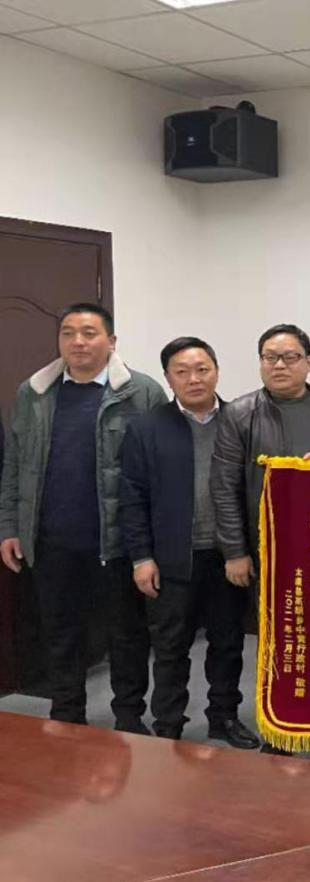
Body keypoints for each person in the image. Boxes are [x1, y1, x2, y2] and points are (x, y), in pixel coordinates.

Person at [0, 303, 166, 730]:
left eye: (89, 332)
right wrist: (10, 528)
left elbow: (160, 471)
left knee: (126, 635)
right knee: (60, 633)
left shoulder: (142, 392)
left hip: (118, 542)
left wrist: (152, 545)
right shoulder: (34, 393)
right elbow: (15, 465)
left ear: (111, 341)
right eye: (68, 332)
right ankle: (67, 713)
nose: (78, 341)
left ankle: (129, 717)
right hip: (51, 540)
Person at [210, 323, 310, 754]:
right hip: (268, 547)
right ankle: (282, 727)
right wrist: (235, 551)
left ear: (309, 362)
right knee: (277, 641)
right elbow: (224, 486)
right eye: (270, 357)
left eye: (290, 357)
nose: (280, 365)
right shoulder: (239, 413)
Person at [119, 337, 259, 749]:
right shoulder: (147, 427)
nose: (194, 379)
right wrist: (141, 557)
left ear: (217, 371)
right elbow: (132, 497)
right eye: (182, 372)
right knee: (170, 646)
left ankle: (224, 716)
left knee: (228, 642)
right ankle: (168, 723)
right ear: (168, 378)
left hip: (229, 555)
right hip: (171, 558)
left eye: (202, 369)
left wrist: (243, 550)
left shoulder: (241, 421)